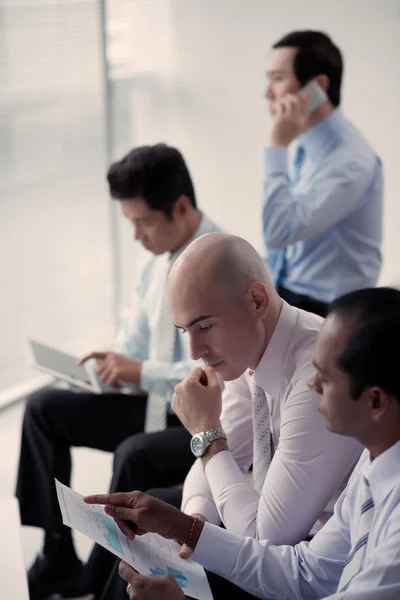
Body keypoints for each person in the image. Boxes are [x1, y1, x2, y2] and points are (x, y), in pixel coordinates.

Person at [94, 233, 363, 600]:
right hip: (286, 539)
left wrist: (205, 433)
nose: (194, 351)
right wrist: (197, 518)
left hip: (314, 560)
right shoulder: (249, 353)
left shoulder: (316, 378)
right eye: (185, 331)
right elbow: (216, 464)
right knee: (145, 527)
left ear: (256, 300)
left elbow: (264, 536)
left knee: (156, 567)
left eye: (204, 327)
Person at [15, 143, 222, 600]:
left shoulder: (220, 262)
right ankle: (56, 552)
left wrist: (142, 370)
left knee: (134, 451)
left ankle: (92, 584)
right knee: (43, 407)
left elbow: (216, 368)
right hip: (147, 402)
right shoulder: (153, 263)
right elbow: (135, 342)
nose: (136, 235)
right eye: (130, 222)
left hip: (194, 415)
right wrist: (114, 365)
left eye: (143, 221)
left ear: (181, 207)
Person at [262, 30, 383, 316]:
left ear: (316, 86)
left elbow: (278, 232)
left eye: (277, 79)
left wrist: (276, 147)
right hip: (288, 290)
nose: (267, 94)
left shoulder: (350, 161)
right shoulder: (307, 140)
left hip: (331, 311)